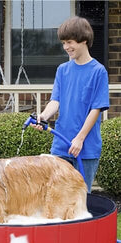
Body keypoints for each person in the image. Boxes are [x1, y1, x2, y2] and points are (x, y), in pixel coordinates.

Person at [31, 16, 109, 193]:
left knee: (80, 199)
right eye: (63, 43)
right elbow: (55, 101)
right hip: (61, 145)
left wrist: (80, 138)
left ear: (84, 40)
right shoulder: (62, 70)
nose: (66, 47)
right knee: (57, 196)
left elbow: (96, 109)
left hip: (86, 147)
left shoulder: (98, 72)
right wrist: (43, 116)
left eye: (70, 42)